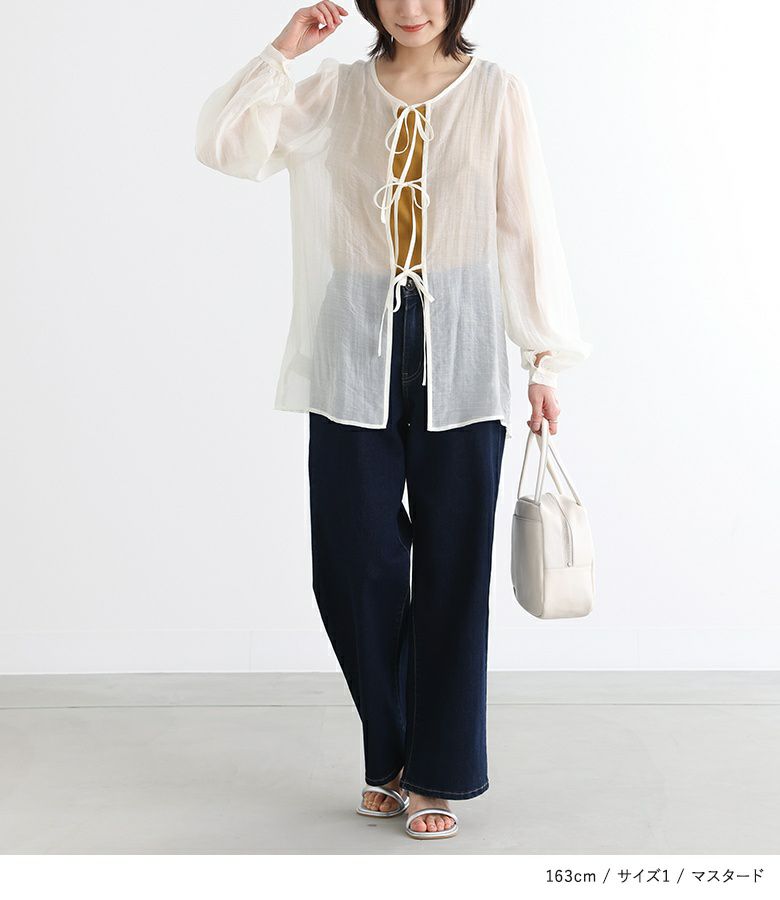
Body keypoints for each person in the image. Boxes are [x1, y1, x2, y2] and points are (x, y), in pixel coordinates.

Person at [195, 0, 591, 840]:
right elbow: (226, 144)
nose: (412, 8)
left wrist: (543, 357)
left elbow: (525, 223)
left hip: (465, 334)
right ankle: (391, 752)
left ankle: (434, 774)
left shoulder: (496, 92)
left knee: (453, 566)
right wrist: (283, 52)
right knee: (353, 558)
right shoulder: (334, 90)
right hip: (354, 329)